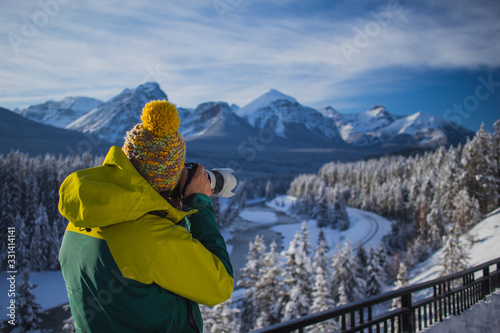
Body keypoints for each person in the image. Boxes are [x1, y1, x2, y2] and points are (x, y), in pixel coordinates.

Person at [58, 100, 234, 332]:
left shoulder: (82, 219)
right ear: (167, 184)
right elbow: (220, 286)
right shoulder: (154, 240)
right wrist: (198, 205)